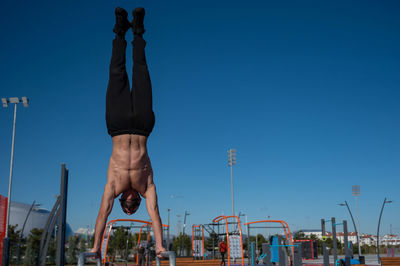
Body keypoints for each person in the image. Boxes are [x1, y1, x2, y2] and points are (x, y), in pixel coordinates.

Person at [89, 7, 165, 259]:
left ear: (122, 199)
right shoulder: (147, 186)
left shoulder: (113, 185)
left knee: (117, 74)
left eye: (128, 203)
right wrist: (160, 246)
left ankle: (120, 30)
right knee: (141, 72)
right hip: (143, 125)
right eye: (135, 203)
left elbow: (102, 214)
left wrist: (96, 246)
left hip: (118, 125)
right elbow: (155, 212)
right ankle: (139, 30)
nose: (132, 199)